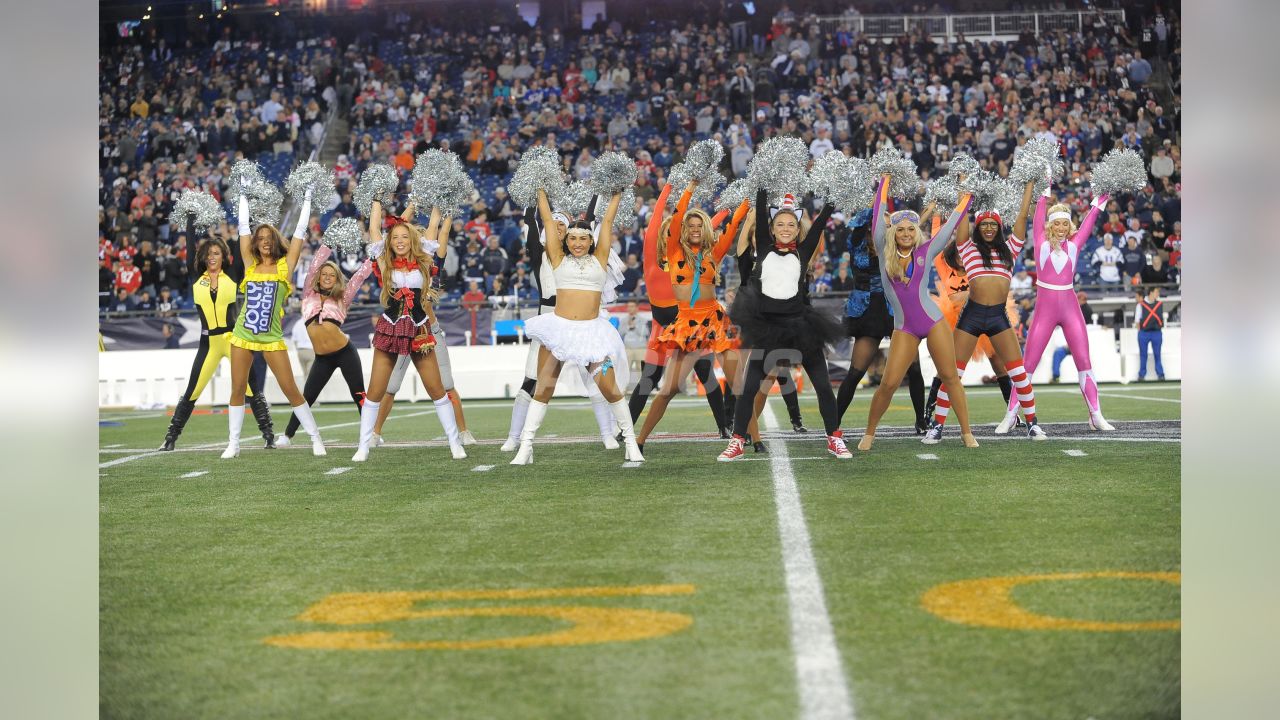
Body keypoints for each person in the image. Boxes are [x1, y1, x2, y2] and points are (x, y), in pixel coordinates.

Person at [510, 187, 642, 465]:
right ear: (565, 240)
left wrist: (615, 194)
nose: (578, 243)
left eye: (583, 238)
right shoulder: (556, 257)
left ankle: (631, 442)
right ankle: (526, 446)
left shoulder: (600, 259)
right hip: (558, 332)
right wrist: (541, 189)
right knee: (543, 388)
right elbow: (547, 221)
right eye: (573, 238)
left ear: (591, 240)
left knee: (610, 389)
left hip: (592, 335)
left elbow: (606, 222)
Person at [718, 190, 848, 461]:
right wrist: (763, 184)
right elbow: (762, 205)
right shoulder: (764, 247)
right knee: (749, 387)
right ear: (772, 229)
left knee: (823, 386)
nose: (786, 228)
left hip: (801, 326)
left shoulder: (803, 252)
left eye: (791, 224)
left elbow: (822, 221)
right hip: (767, 328)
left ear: (798, 228)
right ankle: (738, 441)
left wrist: (835, 190)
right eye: (780, 224)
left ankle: (834, 438)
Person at [854, 175, 977, 452]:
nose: (907, 233)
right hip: (905, 328)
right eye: (901, 230)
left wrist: (966, 197)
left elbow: (951, 227)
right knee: (888, 383)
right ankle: (869, 433)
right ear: (893, 233)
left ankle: (966, 433)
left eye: (911, 229)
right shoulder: (883, 250)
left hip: (933, 322)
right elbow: (877, 214)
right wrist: (884, 181)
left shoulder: (925, 249)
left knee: (950, 376)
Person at [635, 182, 749, 453]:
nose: (695, 229)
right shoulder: (673, 252)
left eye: (700, 226)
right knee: (668, 390)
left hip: (715, 321)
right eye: (691, 226)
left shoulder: (713, 252)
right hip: (686, 323)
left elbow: (732, 227)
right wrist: (691, 187)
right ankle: (638, 441)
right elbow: (675, 220)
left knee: (739, 387)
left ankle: (752, 440)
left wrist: (747, 200)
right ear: (683, 231)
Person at [351, 198, 467, 462]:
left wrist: (436, 197)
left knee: (437, 390)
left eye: (405, 237)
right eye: (396, 238)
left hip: (419, 328)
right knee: (375, 392)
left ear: (412, 239)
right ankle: (363, 446)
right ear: (390, 242)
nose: (400, 241)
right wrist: (378, 200)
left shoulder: (424, 259)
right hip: (391, 328)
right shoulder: (384, 261)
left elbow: (434, 225)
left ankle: (454, 442)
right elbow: (373, 230)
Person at [997, 178, 1114, 432]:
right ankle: (1010, 415)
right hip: (1045, 309)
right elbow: (1038, 214)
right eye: (1057, 223)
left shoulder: (1075, 243)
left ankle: (1096, 414)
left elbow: (1091, 219)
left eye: (1065, 223)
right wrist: (1043, 189)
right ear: (1050, 225)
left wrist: (1100, 200)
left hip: (1070, 307)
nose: (1061, 228)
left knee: (1084, 360)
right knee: (1027, 364)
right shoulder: (1039, 240)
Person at [937, 177, 1047, 441]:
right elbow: (962, 218)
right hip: (971, 316)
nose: (987, 228)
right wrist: (964, 187)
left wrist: (1029, 186)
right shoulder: (968, 248)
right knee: (954, 373)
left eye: (992, 225)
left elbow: (1022, 217)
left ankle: (1032, 423)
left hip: (998, 316)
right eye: (983, 224)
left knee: (1017, 371)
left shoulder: (1010, 250)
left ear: (999, 228)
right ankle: (937, 426)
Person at [222, 181, 326, 458]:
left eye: (269, 237)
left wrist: (307, 198)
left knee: (290, 388)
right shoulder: (249, 264)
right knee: (237, 388)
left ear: (275, 240)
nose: (265, 241)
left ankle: (316, 438)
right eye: (261, 238)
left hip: (271, 337)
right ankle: (233, 443)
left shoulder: (285, 266)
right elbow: (243, 228)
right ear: (256, 243)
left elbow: (300, 234)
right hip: (243, 333)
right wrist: (242, 194)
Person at [158, 226, 275, 452]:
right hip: (208, 343)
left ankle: (269, 435)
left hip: (234, 340)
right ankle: (170, 438)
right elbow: (190, 252)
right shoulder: (196, 277)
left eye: (216, 253)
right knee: (193, 390)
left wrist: (243, 226)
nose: (212, 257)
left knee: (250, 389)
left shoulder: (232, 275)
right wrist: (190, 219)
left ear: (224, 257)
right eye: (209, 254)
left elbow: (244, 250)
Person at [834, 208, 929, 434]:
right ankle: (833, 424)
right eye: (883, 224)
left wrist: (928, 210)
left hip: (895, 308)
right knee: (856, 372)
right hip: (867, 312)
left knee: (914, 368)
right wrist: (877, 204)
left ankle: (921, 420)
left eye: (889, 226)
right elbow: (862, 225)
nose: (887, 228)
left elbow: (913, 232)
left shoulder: (895, 245)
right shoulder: (857, 242)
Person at [275, 235, 374, 447]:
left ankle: (372, 435)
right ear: (318, 277)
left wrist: (373, 258)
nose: (328, 277)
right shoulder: (308, 295)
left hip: (345, 352)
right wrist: (328, 243)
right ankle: (287, 436)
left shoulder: (343, 297)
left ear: (337, 278)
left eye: (332, 275)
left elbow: (358, 277)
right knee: (306, 397)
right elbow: (314, 265)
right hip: (322, 358)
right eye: (324, 274)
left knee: (359, 394)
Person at [1135, 285, 1166, 381]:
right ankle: (1142, 375)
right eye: (1156, 292)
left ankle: (1160, 374)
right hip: (1144, 333)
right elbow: (1137, 320)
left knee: (1157, 354)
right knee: (1143, 354)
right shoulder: (1140, 305)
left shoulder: (1160, 304)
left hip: (1156, 332)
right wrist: (1140, 331)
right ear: (1151, 292)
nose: (1158, 294)